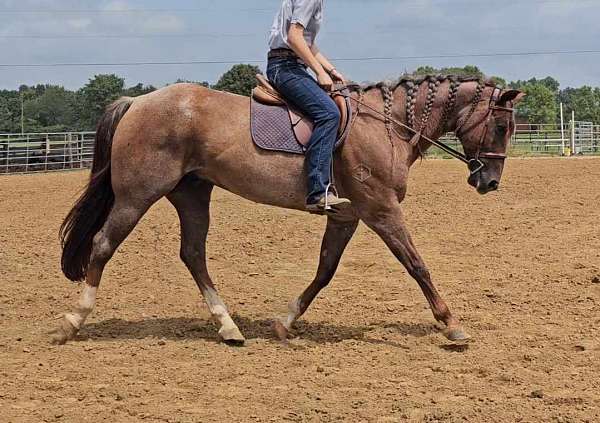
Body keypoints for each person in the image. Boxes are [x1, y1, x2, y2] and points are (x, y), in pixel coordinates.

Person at [266, 0, 352, 214]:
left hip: (291, 64)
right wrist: (319, 72)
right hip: (285, 67)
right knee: (329, 113)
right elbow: (294, 37)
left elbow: (308, 43)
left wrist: (331, 69)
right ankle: (317, 191)